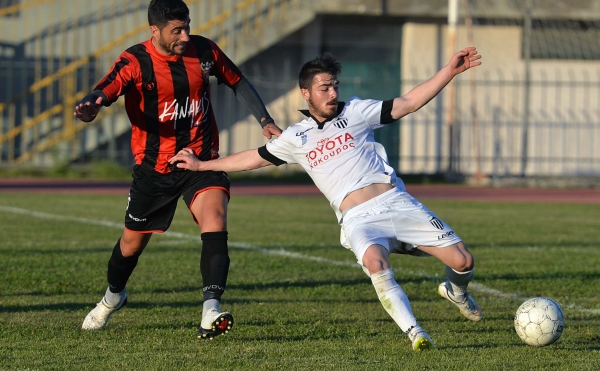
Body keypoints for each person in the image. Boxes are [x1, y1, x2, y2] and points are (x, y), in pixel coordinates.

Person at [168, 48, 483, 350]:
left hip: (396, 203)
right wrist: (202, 165)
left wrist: (449, 71)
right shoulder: (296, 137)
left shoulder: (357, 112)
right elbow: (253, 158)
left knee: (463, 262)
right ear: (306, 93)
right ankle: (416, 332)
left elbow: (409, 102)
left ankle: (456, 291)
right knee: (376, 263)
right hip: (358, 219)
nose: (333, 94)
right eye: (324, 88)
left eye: (335, 86)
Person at [74, 0, 281, 339]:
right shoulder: (135, 61)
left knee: (215, 218)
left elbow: (237, 81)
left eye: (187, 28)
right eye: (176, 30)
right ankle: (113, 297)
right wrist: (91, 104)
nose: (185, 36)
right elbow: (105, 90)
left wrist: (265, 119)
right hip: (154, 170)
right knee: (130, 246)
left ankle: (210, 310)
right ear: (154, 30)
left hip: (201, 161)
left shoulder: (205, 51)